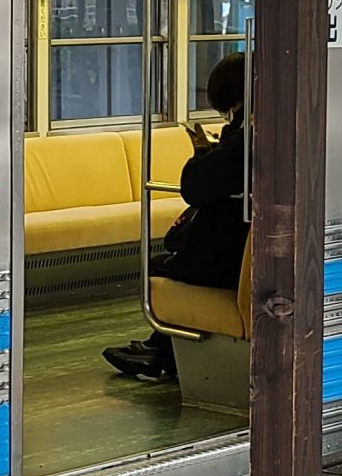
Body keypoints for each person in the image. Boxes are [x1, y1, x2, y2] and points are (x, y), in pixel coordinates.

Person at [105, 53, 249, 384]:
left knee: (161, 266)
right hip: (239, 252)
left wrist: (201, 154)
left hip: (228, 256)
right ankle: (161, 350)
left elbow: (196, 187)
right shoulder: (258, 132)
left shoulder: (246, 138)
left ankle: (163, 354)